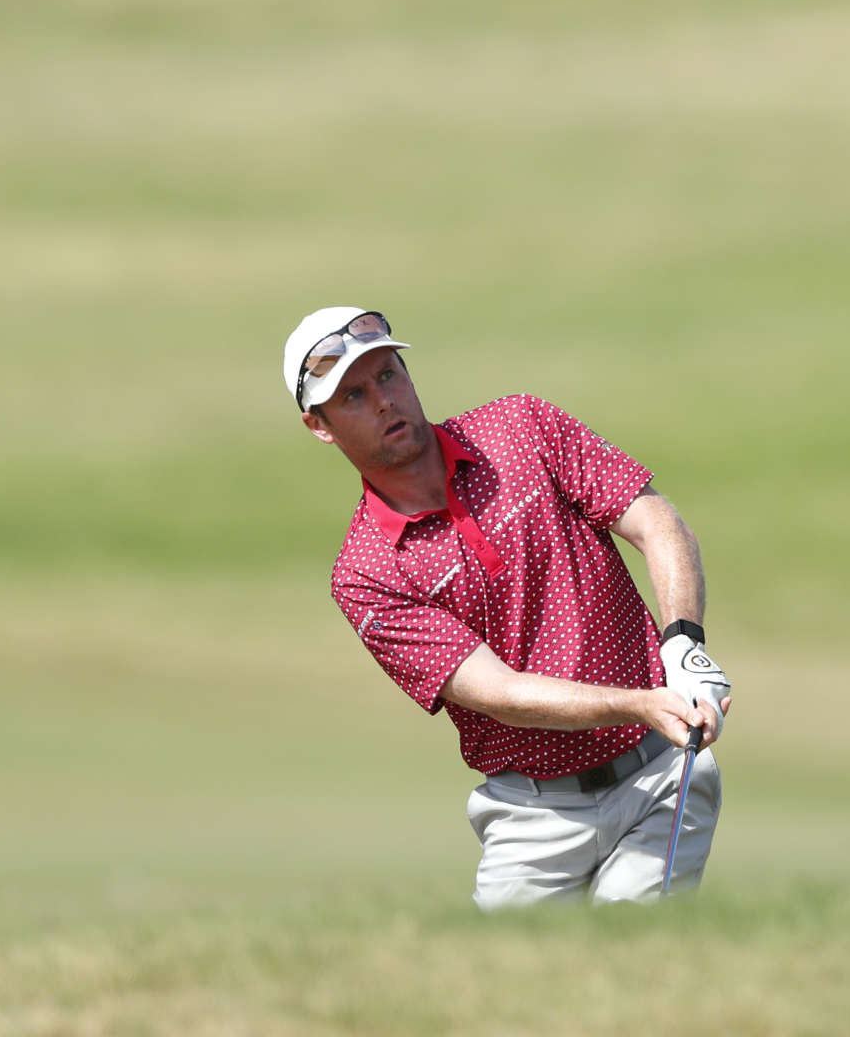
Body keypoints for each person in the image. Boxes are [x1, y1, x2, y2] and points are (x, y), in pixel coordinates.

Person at [281, 307, 730, 907]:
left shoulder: (519, 429)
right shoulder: (366, 573)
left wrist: (682, 643)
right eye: (355, 396)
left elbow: (654, 519)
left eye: (389, 376)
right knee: (509, 989)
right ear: (320, 426)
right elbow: (499, 692)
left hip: (660, 777)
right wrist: (642, 704)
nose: (384, 401)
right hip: (531, 816)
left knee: (628, 954)